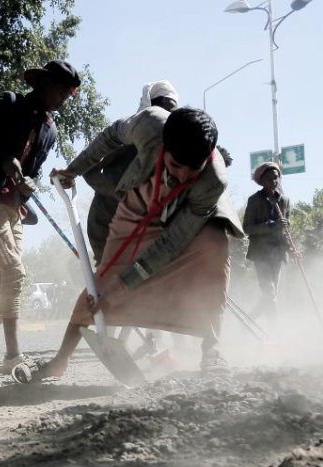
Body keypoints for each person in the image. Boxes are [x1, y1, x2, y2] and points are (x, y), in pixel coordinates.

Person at [34, 107, 244, 380]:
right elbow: (110, 137)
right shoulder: (150, 124)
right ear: (164, 146)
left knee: (214, 247)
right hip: (140, 204)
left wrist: (121, 291)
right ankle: (60, 361)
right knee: (101, 285)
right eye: (177, 166)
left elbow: (171, 244)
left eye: (194, 170)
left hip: (186, 219)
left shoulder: (213, 181)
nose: (183, 176)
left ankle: (212, 349)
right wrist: (74, 170)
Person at [0, 60, 81, 379]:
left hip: (15, 207)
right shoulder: (9, 103)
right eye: (61, 90)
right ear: (43, 84)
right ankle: (12, 355)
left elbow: (32, 170)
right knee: (15, 272)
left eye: (69, 93)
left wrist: (30, 182)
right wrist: (1, 158)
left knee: (5, 279)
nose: (64, 98)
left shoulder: (51, 131)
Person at [84, 81, 180, 264]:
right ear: (150, 107)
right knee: (109, 276)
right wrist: (119, 195)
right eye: (164, 110)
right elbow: (90, 170)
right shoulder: (128, 134)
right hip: (106, 221)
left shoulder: (171, 148)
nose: (167, 117)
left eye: (173, 113)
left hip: (142, 229)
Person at [243, 162, 291, 324]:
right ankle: (275, 330)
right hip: (261, 254)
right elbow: (247, 228)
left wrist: (291, 250)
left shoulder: (284, 200)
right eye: (269, 179)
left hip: (277, 254)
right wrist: (271, 225)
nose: (274, 181)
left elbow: (286, 230)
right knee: (269, 293)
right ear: (262, 181)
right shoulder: (254, 200)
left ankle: (248, 321)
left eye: (276, 178)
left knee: (270, 296)